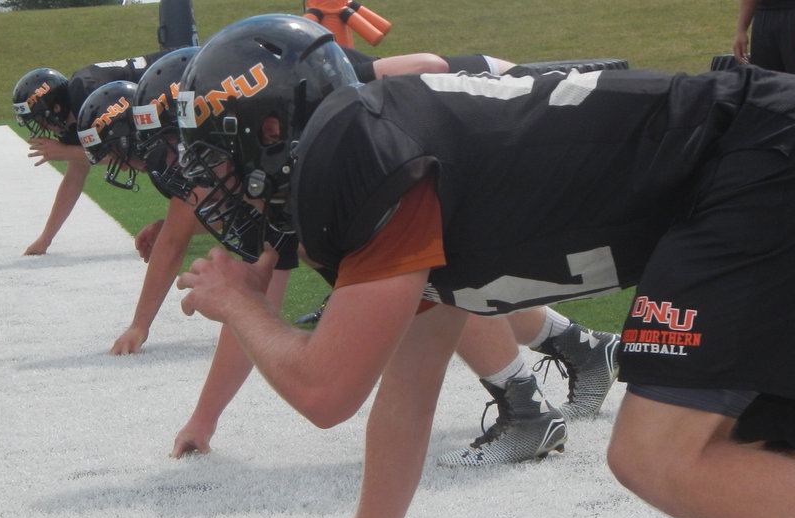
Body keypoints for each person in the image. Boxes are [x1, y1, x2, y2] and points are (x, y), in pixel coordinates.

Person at [174, 15, 795, 518]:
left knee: (655, 457)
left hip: (783, 156)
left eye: (218, 161)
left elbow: (325, 393)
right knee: (743, 450)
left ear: (271, 128)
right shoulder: (394, 167)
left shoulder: (356, 153)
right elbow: (403, 402)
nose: (215, 188)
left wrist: (237, 302)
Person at [102, 42, 618, 464]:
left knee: (419, 267)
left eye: (189, 146)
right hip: (467, 139)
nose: (185, 166)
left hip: (501, 125)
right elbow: (259, 304)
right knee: (412, 273)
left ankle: (526, 406)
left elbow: (429, 67)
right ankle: (579, 350)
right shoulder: (293, 149)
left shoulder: (326, 111)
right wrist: (205, 418)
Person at [11, 50, 170, 256]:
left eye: (41, 119)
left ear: (56, 108)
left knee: (165, 157)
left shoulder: (86, 92)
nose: (43, 127)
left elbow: (124, 152)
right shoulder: (75, 116)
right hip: (161, 93)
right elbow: (74, 178)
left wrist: (66, 152)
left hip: (178, 78)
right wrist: (45, 239)